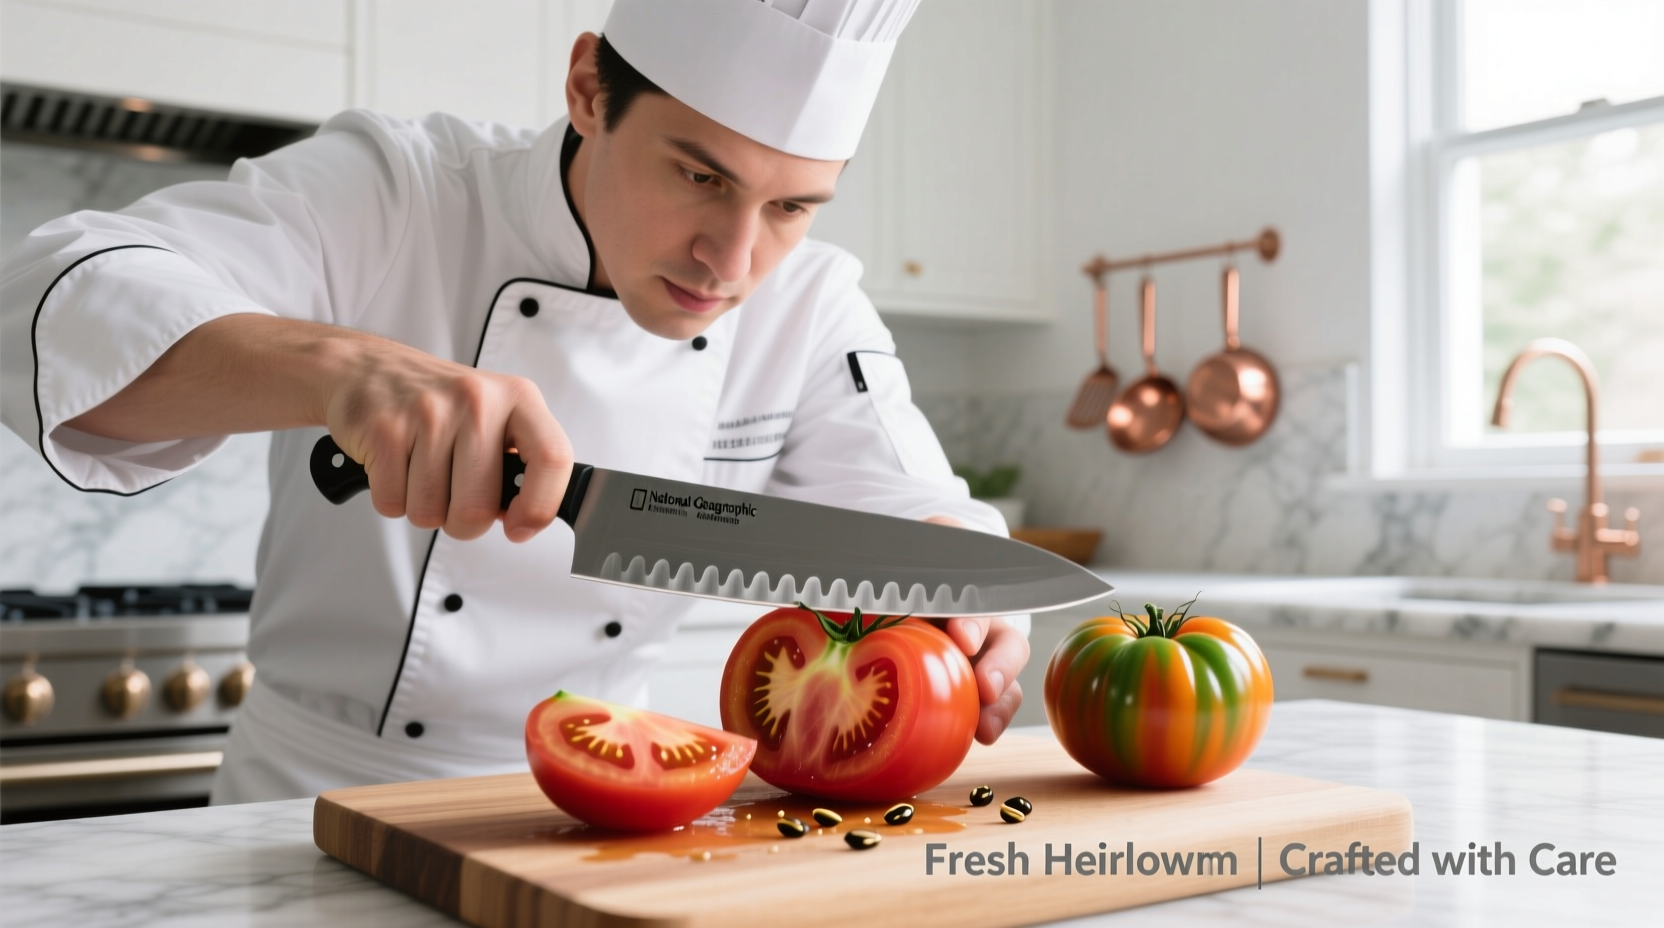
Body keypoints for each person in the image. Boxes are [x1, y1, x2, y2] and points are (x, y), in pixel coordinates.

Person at [0, 0, 1030, 804]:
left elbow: (913, 511)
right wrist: (342, 369)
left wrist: (969, 607)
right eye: (697, 177)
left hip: (614, 799)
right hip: (309, 802)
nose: (734, 258)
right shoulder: (398, 190)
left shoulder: (811, 304)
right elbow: (56, 298)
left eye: (792, 206)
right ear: (588, 87)